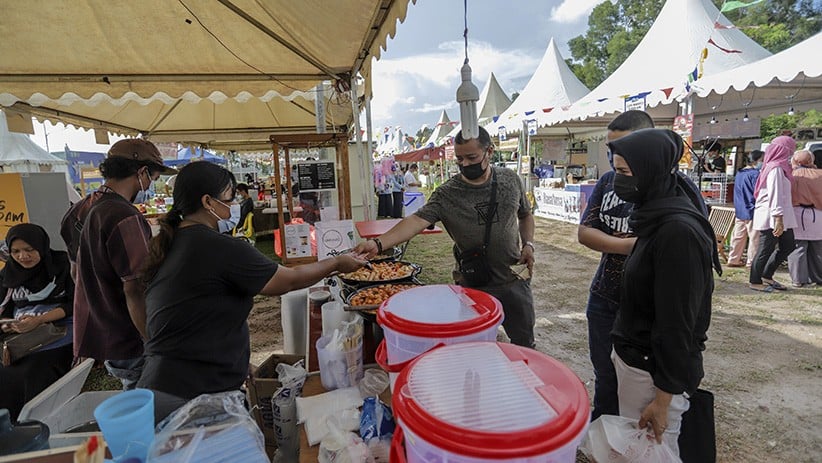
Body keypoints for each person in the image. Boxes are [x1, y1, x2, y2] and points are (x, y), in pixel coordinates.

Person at [136, 162, 366, 420]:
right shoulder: (218, 247)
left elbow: (193, 316)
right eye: (229, 199)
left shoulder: (171, 242)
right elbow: (287, 281)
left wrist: (234, 362)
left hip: (161, 385)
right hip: (193, 395)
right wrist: (336, 263)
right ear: (208, 202)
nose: (234, 205)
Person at [354, 126, 536, 347]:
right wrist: (378, 243)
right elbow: (415, 222)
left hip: (513, 279)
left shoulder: (510, 180)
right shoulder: (447, 193)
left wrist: (528, 244)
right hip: (473, 282)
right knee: (474, 345)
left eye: (472, 157)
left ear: (489, 152)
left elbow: (525, 215)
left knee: (524, 342)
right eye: (459, 159)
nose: (465, 164)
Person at [578, 110, 705, 421]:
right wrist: (634, 245)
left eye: (622, 152)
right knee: (607, 373)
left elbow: (678, 321)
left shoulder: (678, 201)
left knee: (643, 387)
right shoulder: (611, 182)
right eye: (610, 151)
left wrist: (664, 400)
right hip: (606, 296)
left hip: (646, 308)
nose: (613, 160)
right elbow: (585, 232)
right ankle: (606, 430)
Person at [608, 129, 720, 456]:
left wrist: (663, 398)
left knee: (653, 451)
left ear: (651, 170)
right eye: (616, 170)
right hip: (637, 360)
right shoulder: (655, 213)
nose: (618, 180)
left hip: (651, 374)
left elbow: (678, 323)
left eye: (625, 173)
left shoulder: (676, 232)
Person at [73, 138, 177, 390]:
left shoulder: (82, 208)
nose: (151, 184)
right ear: (141, 172)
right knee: (148, 403)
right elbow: (135, 288)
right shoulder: (124, 216)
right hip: (128, 334)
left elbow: (75, 270)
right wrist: (153, 342)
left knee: (135, 398)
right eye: (152, 177)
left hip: (104, 330)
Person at [0, 224, 74, 420]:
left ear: (40, 246)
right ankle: (10, 426)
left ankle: (37, 422)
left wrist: (40, 320)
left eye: (29, 249)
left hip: (61, 330)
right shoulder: (8, 274)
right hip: (23, 336)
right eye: (15, 251)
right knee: (6, 371)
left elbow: (74, 304)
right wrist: (8, 325)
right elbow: (4, 311)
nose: (22, 256)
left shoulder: (63, 266)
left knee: (35, 371)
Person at [749, 136, 797, 292]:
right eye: (791, 150)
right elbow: (775, 194)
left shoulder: (781, 167)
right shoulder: (775, 168)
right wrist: (778, 218)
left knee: (788, 245)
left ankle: (766, 274)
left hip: (781, 215)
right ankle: (755, 280)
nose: (792, 154)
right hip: (773, 215)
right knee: (765, 248)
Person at [787, 150, 822, 287]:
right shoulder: (819, 175)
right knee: (818, 249)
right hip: (817, 214)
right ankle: (818, 277)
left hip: (796, 213)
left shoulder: (791, 174)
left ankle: (798, 279)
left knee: (797, 248)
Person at [727, 150, 764, 268]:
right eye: (762, 160)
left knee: (738, 236)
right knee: (754, 238)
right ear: (756, 161)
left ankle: (733, 258)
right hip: (752, 209)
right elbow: (758, 192)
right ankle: (752, 262)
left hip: (740, 208)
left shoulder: (740, 173)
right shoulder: (756, 174)